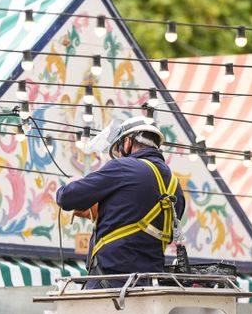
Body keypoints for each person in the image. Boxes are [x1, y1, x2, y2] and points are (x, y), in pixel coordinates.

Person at [56, 117, 186, 289]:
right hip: (148, 285)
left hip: (110, 280)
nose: (118, 155)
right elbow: (135, 215)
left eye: (118, 150)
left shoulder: (125, 167)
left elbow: (66, 198)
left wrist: (72, 183)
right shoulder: (175, 187)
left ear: (127, 142)